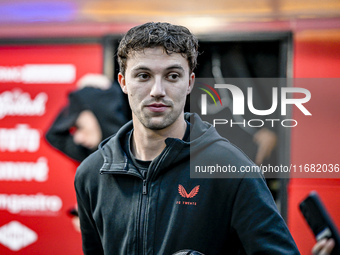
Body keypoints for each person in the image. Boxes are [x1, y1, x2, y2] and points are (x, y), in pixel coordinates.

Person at [74, 22, 300, 254]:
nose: (157, 90)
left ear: (190, 82)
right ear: (123, 82)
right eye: (143, 76)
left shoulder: (234, 170)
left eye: (172, 76)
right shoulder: (92, 174)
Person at [46, 73, 130, 231]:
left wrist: (105, 91)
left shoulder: (136, 155)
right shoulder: (92, 154)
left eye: (79, 126)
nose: (77, 138)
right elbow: (53, 135)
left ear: (100, 112)